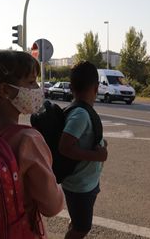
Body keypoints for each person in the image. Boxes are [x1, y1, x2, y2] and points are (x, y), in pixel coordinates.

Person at [0, 50, 65, 238]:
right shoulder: (28, 140)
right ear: (5, 90)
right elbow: (52, 206)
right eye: (31, 82)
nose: (38, 88)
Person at [57, 61, 108, 239]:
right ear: (96, 87)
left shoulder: (81, 111)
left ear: (71, 87)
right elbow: (64, 147)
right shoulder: (81, 114)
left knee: (78, 220)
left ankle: (74, 224)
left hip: (86, 181)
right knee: (82, 229)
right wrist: (97, 156)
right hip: (80, 185)